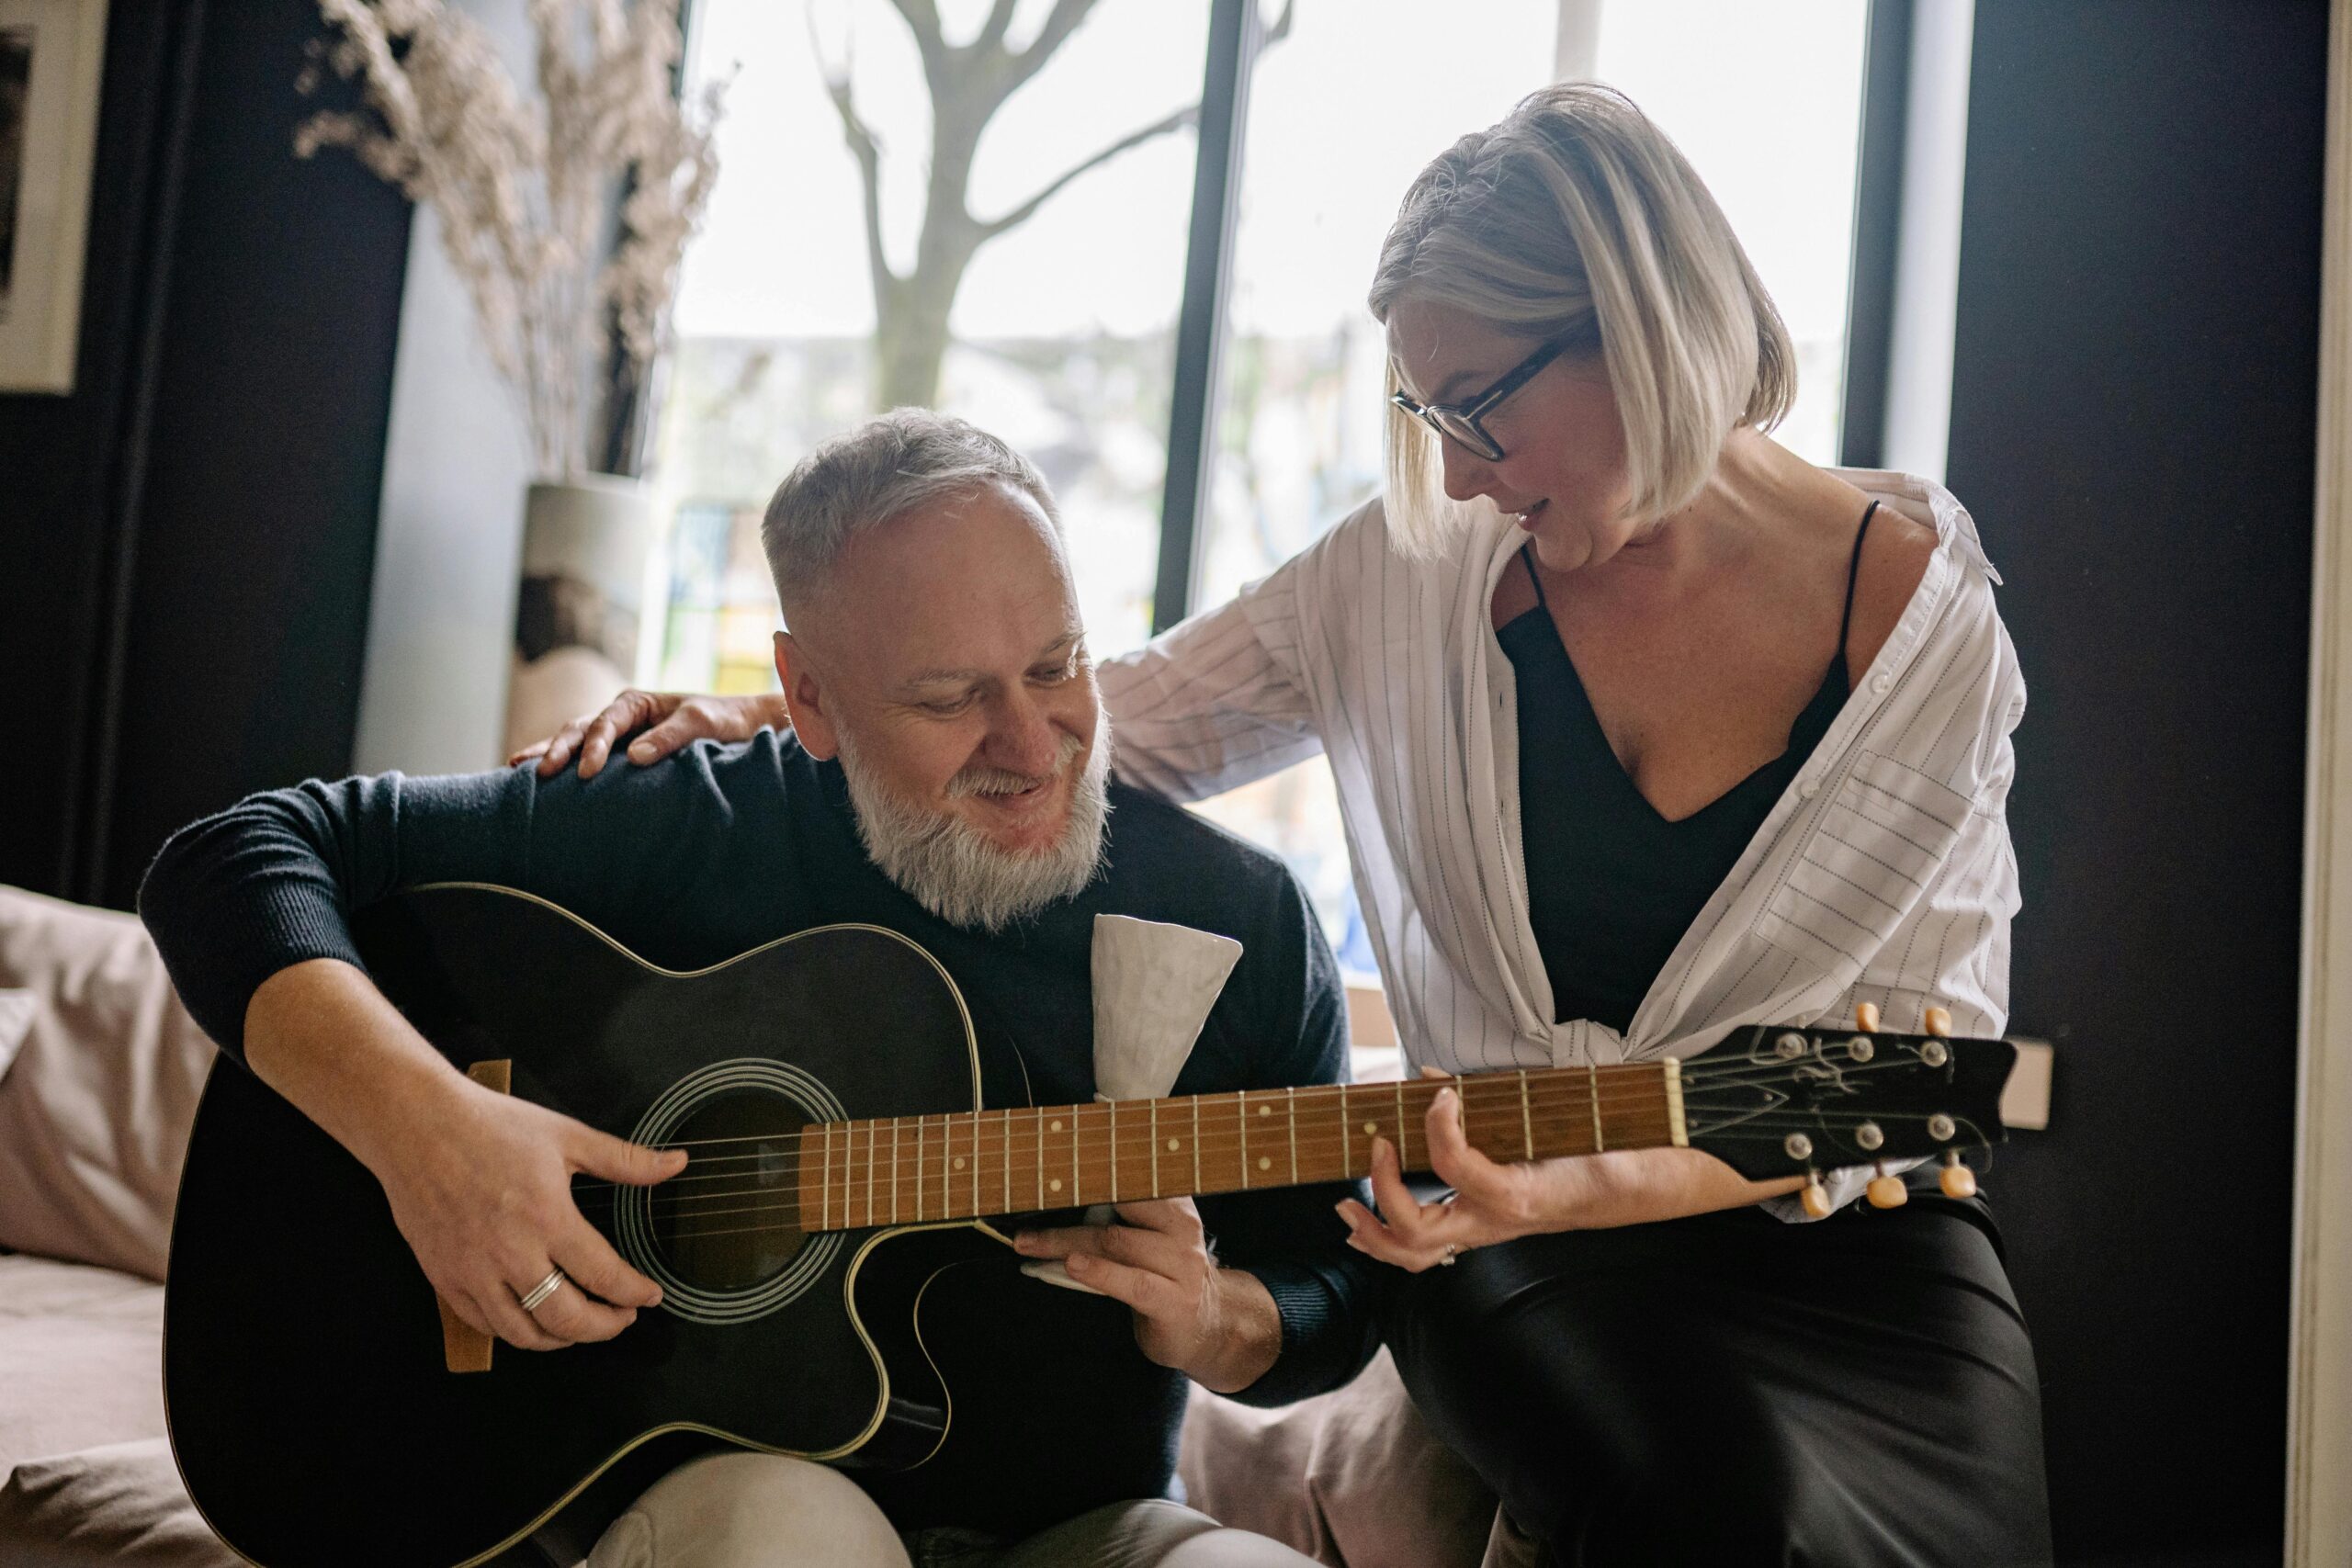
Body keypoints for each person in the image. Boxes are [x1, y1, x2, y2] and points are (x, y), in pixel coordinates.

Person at [527, 85, 2052, 1564]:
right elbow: (1109, 720)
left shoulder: (1921, 623)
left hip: (1849, 1224)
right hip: (1500, 1226)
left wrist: (1591, 1173)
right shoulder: (1403, 577)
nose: (1452, 468)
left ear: (1642, 327)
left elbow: (1898, 1066)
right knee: (1732, 1522)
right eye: (1424, 410)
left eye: (1483, 407)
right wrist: (820, 712)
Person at [139, 412, 1379, 1568]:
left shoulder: (1241, 918)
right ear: (806, 699)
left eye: (1057, 667)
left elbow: (1333, 1286)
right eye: (949, 699)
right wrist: (428, 1137)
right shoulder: (690, 815)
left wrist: (1221, 1318)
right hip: (726, 1503)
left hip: (1085, 1529)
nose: (1031, 742)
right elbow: (234, 858)